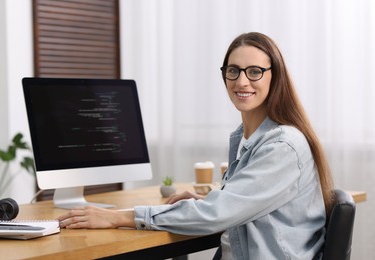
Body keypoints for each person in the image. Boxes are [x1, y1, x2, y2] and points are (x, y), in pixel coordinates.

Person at [58, 32, 334, 259]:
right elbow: (234, 206)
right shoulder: (245, 137)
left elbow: (217, 215)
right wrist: (204, 203)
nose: (241, 81)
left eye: (255, 72)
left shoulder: (282, 146)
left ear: (275, 76)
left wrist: (118, 217)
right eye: (233, 71)